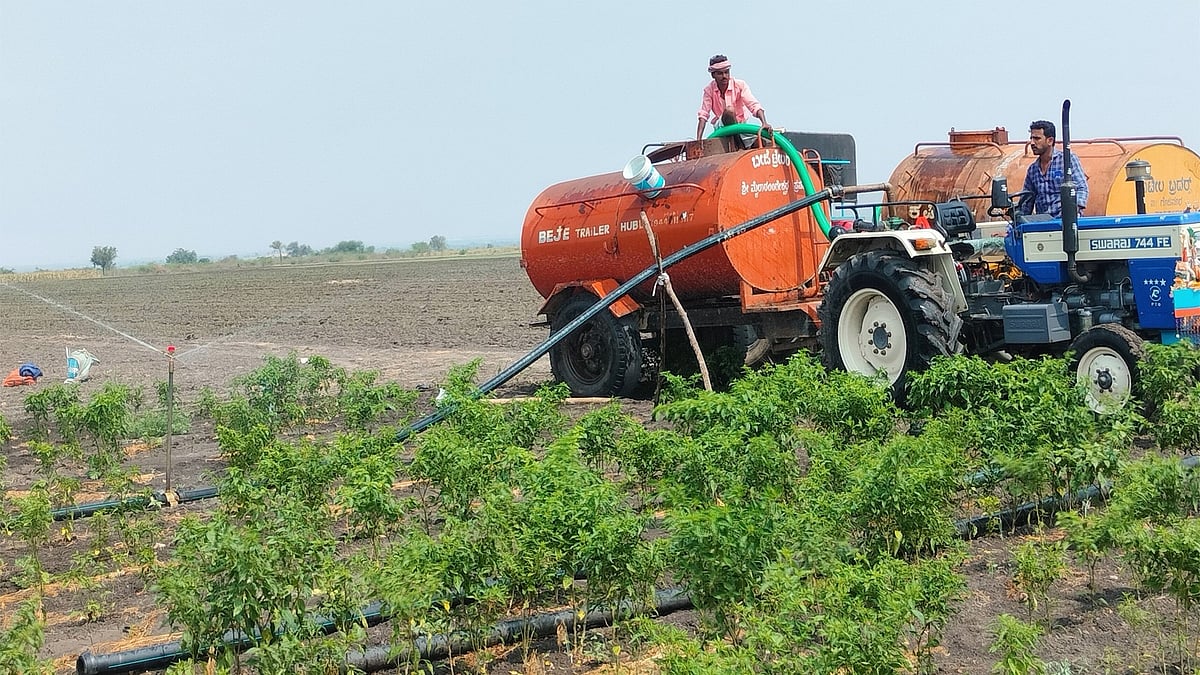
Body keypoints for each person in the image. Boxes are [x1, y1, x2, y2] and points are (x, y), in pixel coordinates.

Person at [1019, 119, 1089, 218]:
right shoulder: (1032, 170)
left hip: (1065, 222)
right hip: (1043, 224)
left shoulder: (1067, 160)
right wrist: (1014, 225)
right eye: (1031, 138)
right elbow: (1026, 203)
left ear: (1050, 140)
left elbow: (1082, 188)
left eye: (1037, 138)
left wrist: (1072, 212)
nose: (1032, 143)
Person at [696, 54, 771, 143]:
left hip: (741, 127)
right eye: (720, 73)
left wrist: (764, 123)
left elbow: (753, 105)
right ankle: (739, 143)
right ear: (713, 75)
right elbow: (703, 115)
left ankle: (741, 142)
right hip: (721, 128)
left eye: (726, 72)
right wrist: (698, 139)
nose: (724, 76)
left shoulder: (739, 85)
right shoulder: (709, 90)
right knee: (729, 111)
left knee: (763, 142)